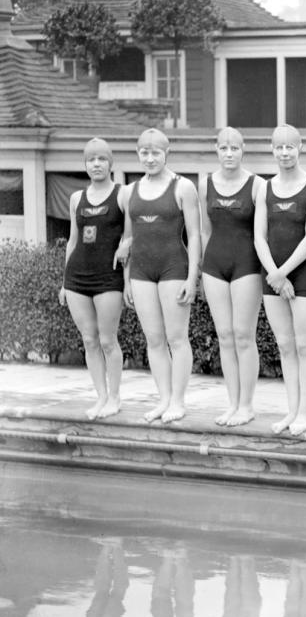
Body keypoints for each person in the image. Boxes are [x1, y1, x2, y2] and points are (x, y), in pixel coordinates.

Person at [120, 128, 201, 423]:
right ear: (138, 154)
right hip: (141, 271)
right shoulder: (129, 191)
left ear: (167, 153)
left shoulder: (183, 188)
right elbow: (127, 241)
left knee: (177, 338)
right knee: (154, 339)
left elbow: (194, 236)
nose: (150, 158)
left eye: (155, 152)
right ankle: (163, 399)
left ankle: (178, 401)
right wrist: (127, 278)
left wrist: (192, 278)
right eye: (144, 152)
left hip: (173, 269)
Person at [254, 124, 306, 437]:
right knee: (284, 345)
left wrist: (283, 273)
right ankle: (291, 410)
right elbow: (259, 238)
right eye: (279, 147)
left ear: (299, 148)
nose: (284, 153)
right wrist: (274, 275)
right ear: (272, 150)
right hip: (271, 275)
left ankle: (305, 412)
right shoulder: (265, 189)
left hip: (303, 273)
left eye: (290, 147)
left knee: (304, 344)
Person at [200, 127, 265, 427]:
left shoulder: (256, 185)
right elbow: (204, 231)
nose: (229, 154)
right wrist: (200, 268)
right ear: (216, 149)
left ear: (243, 150)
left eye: (234, 148)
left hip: (246, 266)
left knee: (243, 335)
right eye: (224, 148)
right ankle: (232, 402)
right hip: (214, 265)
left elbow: (261, 234)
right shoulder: (205, 183)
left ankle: (247, 405)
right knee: (225, 337)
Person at [58, 138, 126, 420]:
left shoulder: (123, 194)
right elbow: (73, 241)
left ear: (110, 163)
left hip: (108, 278)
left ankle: (115, 397)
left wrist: (127, 244)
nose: (96, 164)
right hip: (77, 277)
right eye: (91, 160)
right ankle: (100, 396)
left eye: (101, 159)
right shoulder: (77, 198)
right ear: (85, 165)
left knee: (108, 340)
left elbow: (132, 234)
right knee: (89, 339)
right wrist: (64, 282)